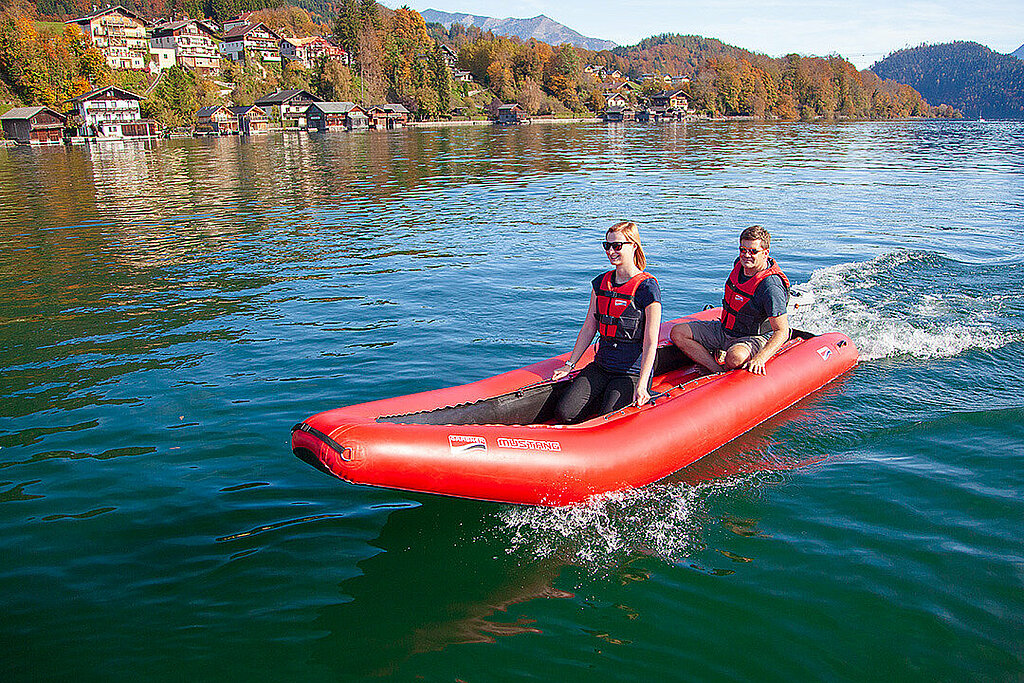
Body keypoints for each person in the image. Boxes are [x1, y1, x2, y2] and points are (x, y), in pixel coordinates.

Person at [552, 221, 662, 423]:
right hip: (602, 365)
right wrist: (570, 364)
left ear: (634, 246)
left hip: (631, 372)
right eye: (607, 245)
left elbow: (650, 342)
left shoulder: (648, 288)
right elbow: (589, 327)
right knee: (565, 412)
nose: (611, 251)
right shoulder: (600, 283)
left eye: (617, 246)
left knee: (608, 419)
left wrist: (643, 384)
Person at [670, 225, 790, 375]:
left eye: (753, 251)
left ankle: (726, 369)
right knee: (678, 332)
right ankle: (716, 370)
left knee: (735, 356)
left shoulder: (770, 286)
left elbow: (782, 331)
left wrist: (760, 358)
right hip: (725, 329)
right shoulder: (739, 265)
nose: (746, 255)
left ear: (765, 253)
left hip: (752, 337)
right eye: (743, 250)